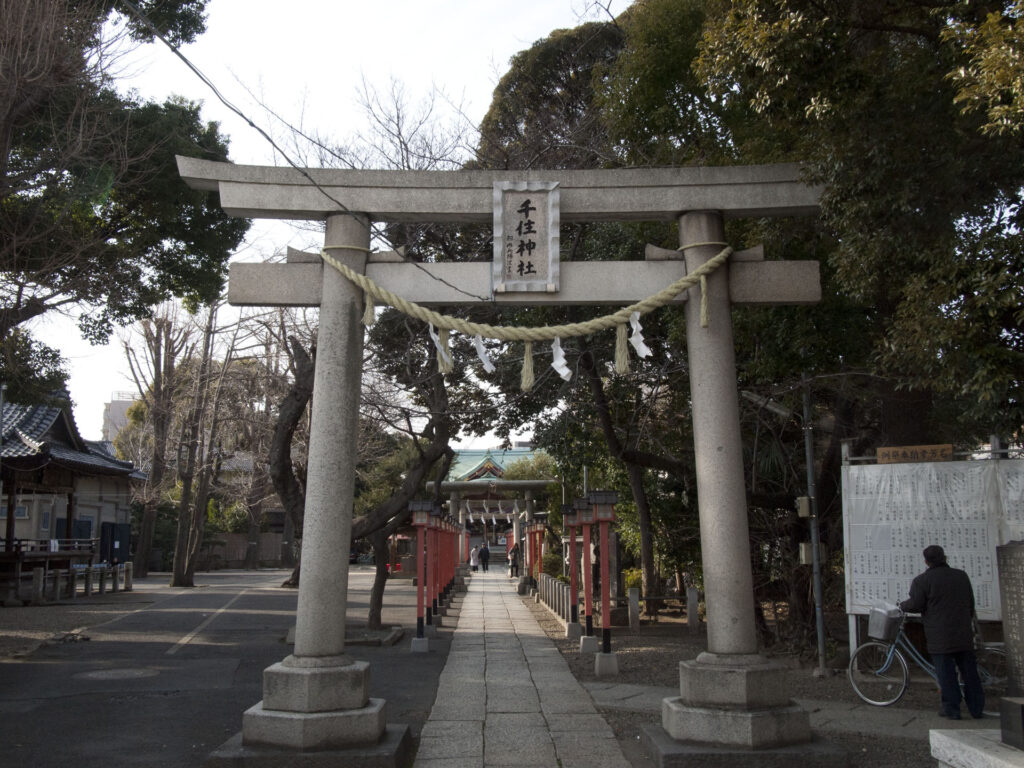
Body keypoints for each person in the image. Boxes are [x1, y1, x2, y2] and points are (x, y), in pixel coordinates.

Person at [899, 544, 984, 720]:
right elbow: (970, 602)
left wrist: (901, 605)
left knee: (946, 674)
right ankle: (977, 709)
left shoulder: (922, 581)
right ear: (944, 558)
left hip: (940, 635)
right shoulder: (961, 576)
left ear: (926, 561)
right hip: (963, 632)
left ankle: (952, 709)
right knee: (969, 672)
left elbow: (916, 604)